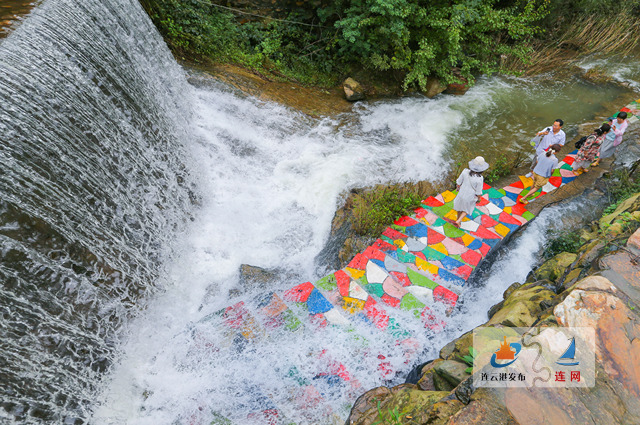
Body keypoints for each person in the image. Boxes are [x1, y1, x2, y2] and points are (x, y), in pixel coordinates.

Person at [453, 156, 489, 226]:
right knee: (467, 209)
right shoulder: (480, 178)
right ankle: (459, 220)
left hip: (461, 193)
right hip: (470, 197)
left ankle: (458, 220)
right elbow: (478, 191)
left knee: (459, 207)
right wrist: (479, 198)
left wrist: (458, 188)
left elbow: (458, 182)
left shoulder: (465, 171)